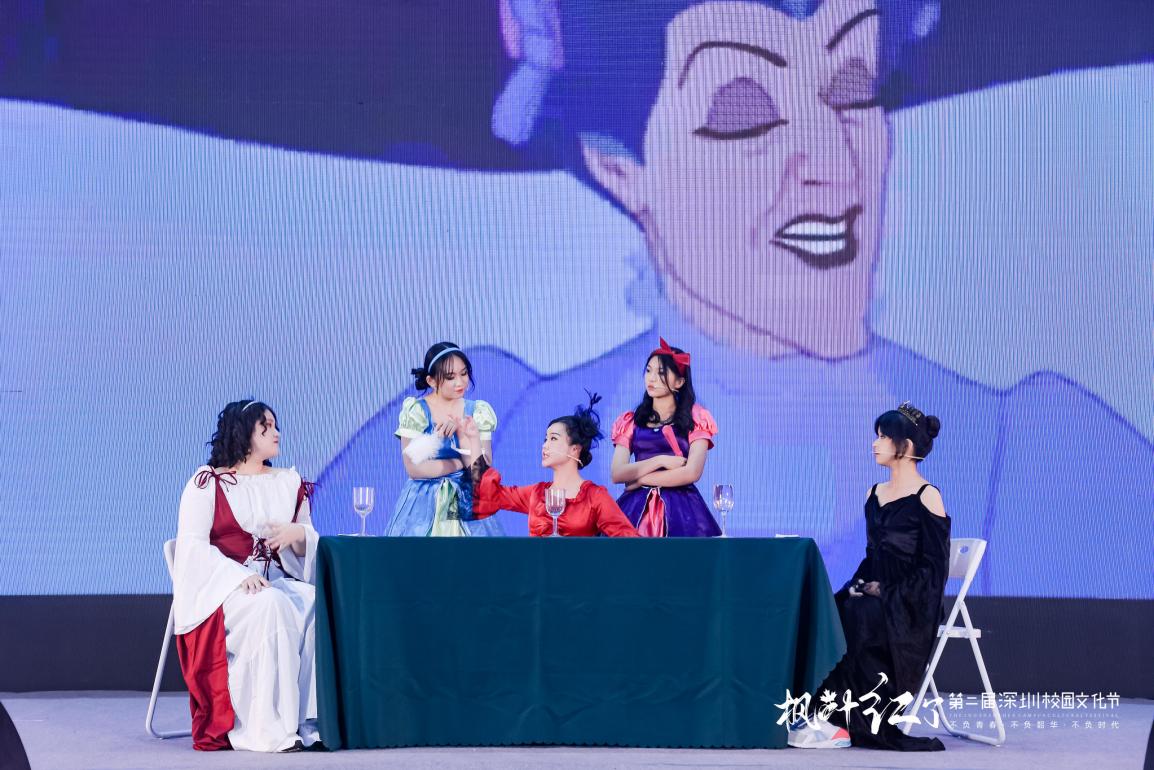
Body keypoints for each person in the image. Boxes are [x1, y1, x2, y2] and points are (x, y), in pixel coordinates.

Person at [789, 402, 949, 751]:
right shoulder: (873, 494)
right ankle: (822, 714)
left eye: (884, 437)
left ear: (905, 445)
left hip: (911, 601)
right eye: (877, 436)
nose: (876, 444)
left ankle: (855, 721)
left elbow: (934, 569)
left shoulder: (928, 496)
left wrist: (888, 591)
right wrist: (858, 587)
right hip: (877, 591)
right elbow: (872, 557)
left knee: (862, 614)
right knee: (836, 608)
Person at [172, 400, 320, 752]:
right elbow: (191, 547)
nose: (276, 433)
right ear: (244, 434)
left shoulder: (287, 482)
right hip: (225, 589)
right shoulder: (207, 483)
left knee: (314, 602)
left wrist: (298, 535)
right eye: (265, 427)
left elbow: (306, 541)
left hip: (277, 580)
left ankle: (307, 722)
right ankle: (267, 727)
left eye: (276, 425)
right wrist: (236, 576)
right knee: (270, 605)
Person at [468, 394, 639, 537]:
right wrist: (474, 439)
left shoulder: (595, 496)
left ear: (574, 449)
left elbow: (628, 539)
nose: (545, 445)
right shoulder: (536, 494)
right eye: (545, 439)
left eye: (553, 439)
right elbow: (487, 493)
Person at [386, 342, 505, 536]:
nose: (460, 382)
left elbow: (482, 472)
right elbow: (414, 468)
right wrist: (459, 463)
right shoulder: (416, 411)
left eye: (464, 374)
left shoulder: (478, 412)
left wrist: (464, 435)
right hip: (423, 507)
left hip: (468, 502)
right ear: (431, 381)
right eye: (450, 377)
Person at [610, 338, 720, 536]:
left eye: (661, 373)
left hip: (683, 512)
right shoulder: (631, 421)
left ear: (679, 382)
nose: (651, 378)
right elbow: (617, 473)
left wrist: (640, 480)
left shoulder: (697, 417)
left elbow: (692, 473)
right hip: (635, 508)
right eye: (648, 370)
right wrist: (661, 460)